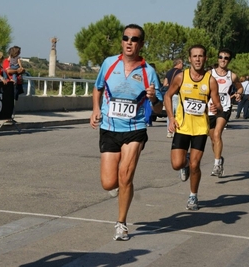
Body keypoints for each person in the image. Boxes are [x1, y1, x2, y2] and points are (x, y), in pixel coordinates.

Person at [89, 24, 162, 241]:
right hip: (110, 128)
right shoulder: (110, 64)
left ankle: (121, 224)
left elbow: (159, 109)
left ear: (141, 44)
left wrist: (154, 99)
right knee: (108, 183)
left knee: (125, 176)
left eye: (135, 39)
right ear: (122, 41)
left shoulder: (149, 72)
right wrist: (95, 109)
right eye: (126, 38)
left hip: (135, 130)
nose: (130, 42)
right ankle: (119, 189)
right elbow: (98, 87)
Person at [164, 44, 222, 210]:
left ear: (205, 58)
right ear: (189, 59)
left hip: (200, 129)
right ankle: (185, 162)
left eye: (201, 56)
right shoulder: (181, 77)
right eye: (194, 56)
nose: (198, 59)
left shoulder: (210, 80)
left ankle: (193, 196)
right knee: (176, 164)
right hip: (182, 127)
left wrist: (215, 108)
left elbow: (219, 106)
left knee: (196, 165)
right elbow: (168, 96)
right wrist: (171, 118)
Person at [208, 48, 243, 177]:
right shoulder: (209, 74)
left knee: (217, 134)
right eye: (221, 57)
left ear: (229, 60)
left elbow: (240, 87)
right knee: (213, 139)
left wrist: (238, 94)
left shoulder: (232, 75)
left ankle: (216, 165)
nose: (223, 60)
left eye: (226, 58)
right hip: (210, 108)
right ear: (217, 59)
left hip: (224, 107)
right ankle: (219, 159)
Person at [163, 58, 183, 138]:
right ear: (179, 63)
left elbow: (165, 84)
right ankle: (175, 131)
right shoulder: (181, 73)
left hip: (168, 94)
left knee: (170, 114)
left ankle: (169, 131)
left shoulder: (169, 72)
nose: (182, 65)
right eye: (182, 64)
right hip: (176, 94)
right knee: (177, 113)